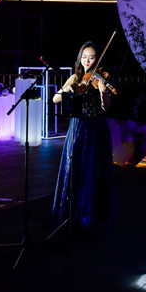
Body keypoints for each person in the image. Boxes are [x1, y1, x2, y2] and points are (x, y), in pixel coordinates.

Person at [51, 41, 114, 232]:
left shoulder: (99, 79)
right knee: (75, 167)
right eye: (84, 57)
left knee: (93, 169)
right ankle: (73, 212)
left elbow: (106, 108)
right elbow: (55, 98)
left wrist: (103, 92)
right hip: (77, 127)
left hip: (96, 128)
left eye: (92, 58)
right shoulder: (76, 77)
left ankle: (92, 213)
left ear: (97, 60)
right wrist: (68, 89)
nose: (87, 61)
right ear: (80, 59)